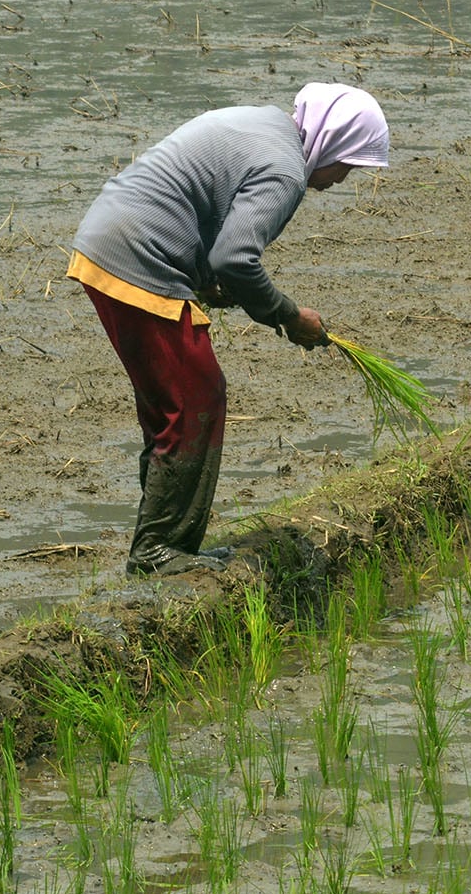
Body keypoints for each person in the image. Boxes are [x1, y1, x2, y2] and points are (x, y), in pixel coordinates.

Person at [66, 82, 390, 576]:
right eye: (348, 165)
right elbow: (236, 258)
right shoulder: (286, 171)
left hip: (109, 239)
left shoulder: (264, 124)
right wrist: (288, 316)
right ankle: (158, 552)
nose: (343, 178)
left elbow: (202, 205)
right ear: (333, 141)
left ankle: (161, 546)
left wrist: (208, 283)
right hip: (140, 256)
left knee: (172, 401)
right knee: (197, 397)